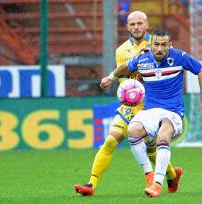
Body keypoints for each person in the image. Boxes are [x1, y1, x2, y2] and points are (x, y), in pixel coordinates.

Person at [75, 12, 182, 196]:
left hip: (152, 106)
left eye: (140, 23)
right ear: (127, 27)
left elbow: (167, 69)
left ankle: (172, 176)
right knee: (110, 141)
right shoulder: (121, 50)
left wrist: (149, 59)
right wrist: (122, 85)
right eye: (132, 24)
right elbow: (126, 78)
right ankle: (91, 184)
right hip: (131, 106)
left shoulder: (158, 45)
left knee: (152, 149)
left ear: (147, 24)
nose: (136, 27)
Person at [100, 29, 202, 197]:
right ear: (151, 45)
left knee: (163, 136)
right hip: (150, 111)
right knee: (132, 130)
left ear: (170, 45)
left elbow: (201, 70)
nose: (160, 49)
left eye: (164, 45)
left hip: (173, 112)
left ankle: (157, 184)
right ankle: (149, 173)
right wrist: (110, 77)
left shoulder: (179, 57)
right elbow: (125, 67)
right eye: (156, 44)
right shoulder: (142, 59)